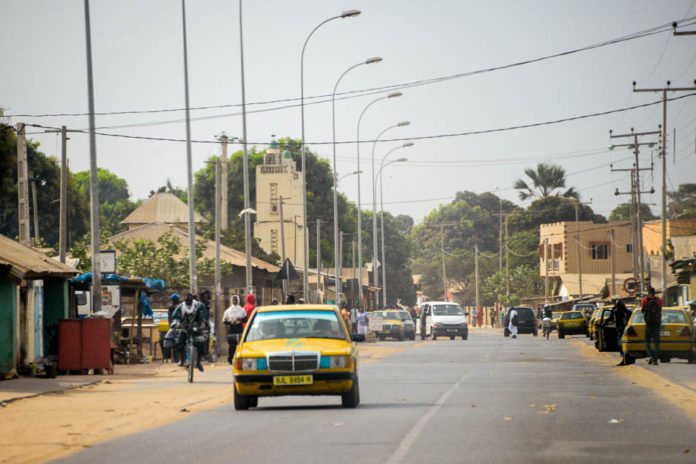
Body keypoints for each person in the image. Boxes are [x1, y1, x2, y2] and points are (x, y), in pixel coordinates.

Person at [171, 293, 208, 372]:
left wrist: (203, 323)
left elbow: (203, 316)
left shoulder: (198, 306)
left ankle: (198, 363)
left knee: (201, 343)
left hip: (196, 328)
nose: (188, 302)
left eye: (189, 300)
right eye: (186, 300)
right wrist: (176, 323)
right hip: (184, 328)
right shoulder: (180, 307)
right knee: (179, 342)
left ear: (192, 300)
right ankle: (182, 360)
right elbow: (175, 317)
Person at [604, 300, 633, 366]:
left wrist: (622, 327)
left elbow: (627, 322)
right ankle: (624, 358)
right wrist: (604, 323)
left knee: (621, 344)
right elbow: (611, 318)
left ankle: (625, 359)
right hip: (619, 330)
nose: (617, 308)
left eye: (618, 306)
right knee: (619, 344)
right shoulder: (615, 311)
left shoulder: (626, 313)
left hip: (625, 330)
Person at [641, 287, 662, 365]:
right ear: (654, 292)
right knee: (656, 342)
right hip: (656, 324)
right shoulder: (659, 300)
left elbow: (642, 310)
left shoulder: (645, 300)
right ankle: (656, 359)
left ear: (648, 292)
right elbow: (660, 310)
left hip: (648, 324)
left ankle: (650, 355)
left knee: (646, 340)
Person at [223, 295, 246, 364]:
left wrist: (238, 319)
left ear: (238, 301)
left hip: (239, 328)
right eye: (233, 300)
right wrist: (230, 322)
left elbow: (245, 319)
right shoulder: (228, 311)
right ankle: (230, 359)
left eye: (236, 300)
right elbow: (224, 321)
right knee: (232, 345)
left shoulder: (242, 310)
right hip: (232, 329)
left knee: (241, 344)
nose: (234, 301)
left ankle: (241, 359)